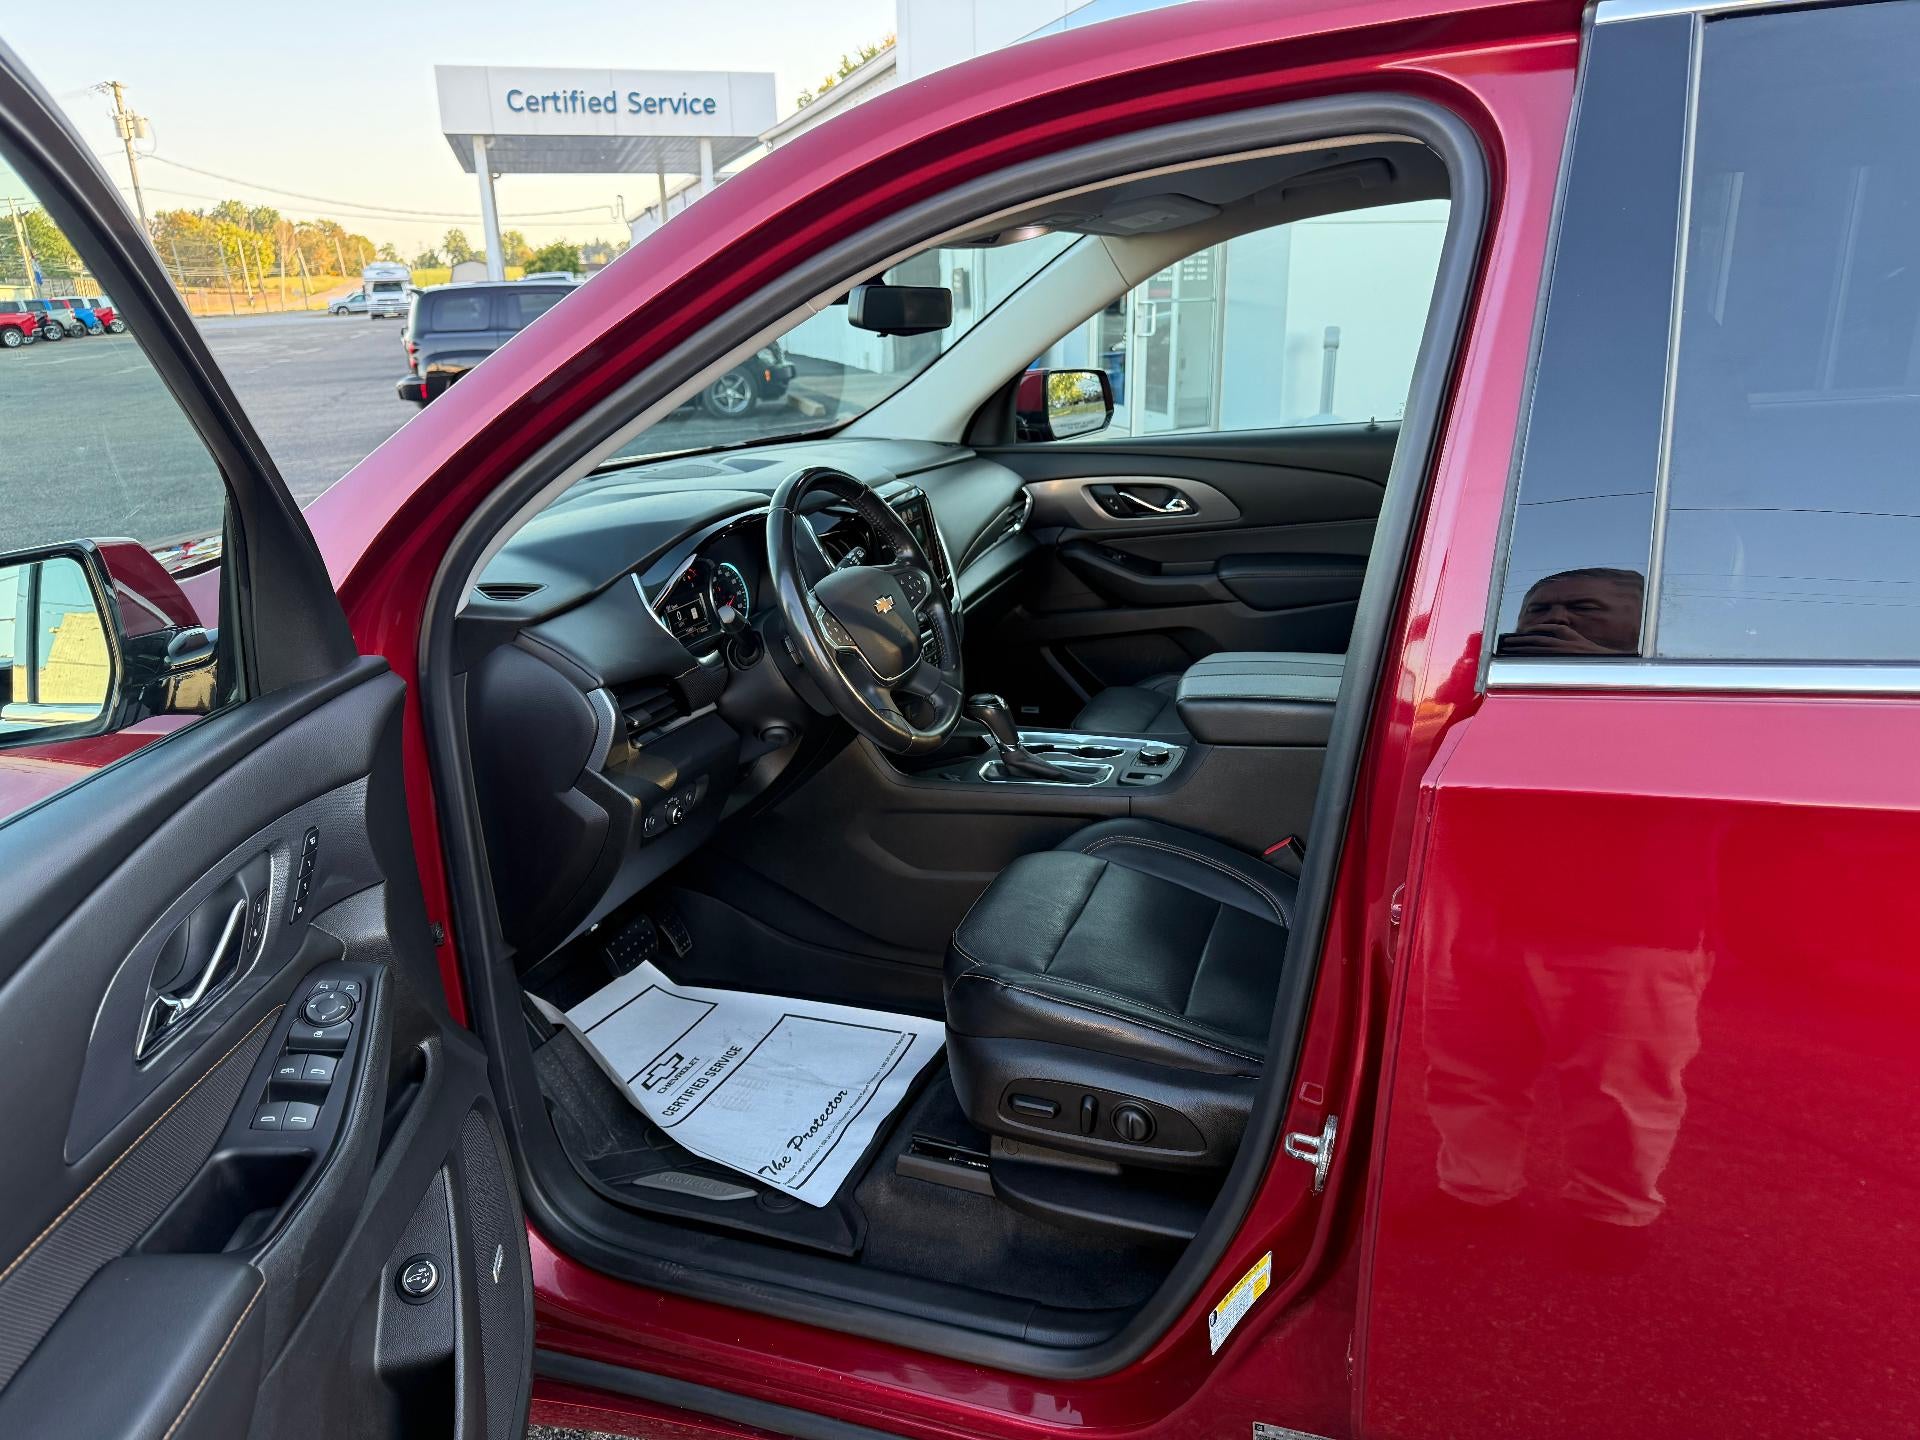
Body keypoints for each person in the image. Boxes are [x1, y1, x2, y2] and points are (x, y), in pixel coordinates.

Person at [1496, 566, 1645, 656]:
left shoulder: (1661, 672)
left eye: (1584, 608)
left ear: (1641, 621)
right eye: (1538, 609)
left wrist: (1602, 660)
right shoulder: (1492, 672)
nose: (1555, 618)